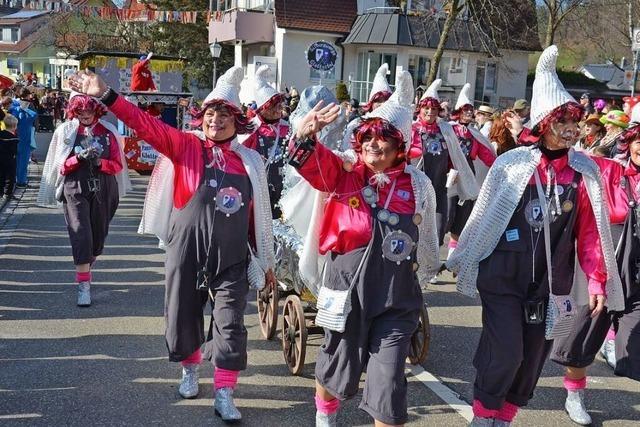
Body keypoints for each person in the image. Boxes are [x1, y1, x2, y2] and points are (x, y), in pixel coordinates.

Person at [69, 66, 275, 422]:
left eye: (224, 115)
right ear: (202, 118)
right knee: (182, 314)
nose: (216, 120)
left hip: (232, 257)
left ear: (237, 122)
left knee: (230, 324)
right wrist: (107, 95)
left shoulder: (251, 161)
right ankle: (190, 370)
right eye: (211, 113)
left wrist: (266, 260)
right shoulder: (185, 145)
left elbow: (259, 216)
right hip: (186, 248)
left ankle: (224, 392)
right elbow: (144, 124)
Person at [447, 45, 624, 427]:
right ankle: (483, 415)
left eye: (574, 121)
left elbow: (591, 234)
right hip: (503, 276)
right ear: (543, 123)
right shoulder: (513, 164)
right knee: (506, 350)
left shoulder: (583, 173)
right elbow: (485, 215)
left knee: (532, 357)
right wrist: (465, 253)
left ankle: (505, 417)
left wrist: (596, 278)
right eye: (562, 121)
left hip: (549, 283)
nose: (570, 129)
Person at [286, 70, 440, 427]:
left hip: (396, 298)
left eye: (383, 139)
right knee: (337, 364)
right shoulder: (345, 171)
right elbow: (308, 163)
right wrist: (304, 136)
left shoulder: (419, 185)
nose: (373, 144)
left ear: (400, 145)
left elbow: (428, 238)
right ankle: (325, 418)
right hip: (345, 291)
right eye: (367, 136)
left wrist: (427, 275)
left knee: (388, 387)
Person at [37, 93, 131, 306]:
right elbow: (59, 166)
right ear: (73, 111)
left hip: (104, 188)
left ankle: (88, 264)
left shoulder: (109, 132)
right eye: (80, 111)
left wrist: (100, 163)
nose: (85, 115)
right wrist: (77, 158)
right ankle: (83, 285)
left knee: (97, 238)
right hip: (75, 187)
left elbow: (118, 165)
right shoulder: (65, 131)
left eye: (89, 110)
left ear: (96, 110)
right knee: (81, 234)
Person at [410, 78, 479, 249]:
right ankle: (413, 266)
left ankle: (430, 264)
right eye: (427, 108)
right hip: (415, 188)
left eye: (434, 109)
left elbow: (454, 156)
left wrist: (453, 171)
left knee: (439, 227)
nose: (430, 112)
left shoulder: (445, 130)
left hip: (439, 187)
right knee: (414, 228)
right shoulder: (411, 130)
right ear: (420, 109)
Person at [446, 83, 496, 259]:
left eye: (470, 110)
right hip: (449, 174)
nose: (468, 113)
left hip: (468, 175)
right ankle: (432, 258)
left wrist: (499, 167)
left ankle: (452, 257)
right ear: (459, 111)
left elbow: (486, 155)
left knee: (462, 217)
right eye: (465, 109)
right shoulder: (447, 129)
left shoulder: (474, 133)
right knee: (446, 214)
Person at [242, 65, 290, 218]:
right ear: (261, 108)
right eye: (272, 107)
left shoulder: (287, 127)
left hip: (282, 186)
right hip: (257, 187)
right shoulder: (251, 128)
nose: (277, 110)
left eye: (279, 105)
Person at [340, 63, 392, 151]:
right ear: (371, 103)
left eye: (385, 101)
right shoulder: (357, 124)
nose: (382, 104)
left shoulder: (394, 125)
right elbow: (347, 149)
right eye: (378, 101)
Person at [9, 91, 37, 187]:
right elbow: (34, 115)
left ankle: (16, 180)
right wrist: (25, 109)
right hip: (24, 140)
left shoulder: (14, 109)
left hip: (16, 139)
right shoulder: (26, 113)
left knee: (16, 161)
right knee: (23, 162)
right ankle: (21, 181)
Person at [0, 114, 19, 201]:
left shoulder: (1, 134)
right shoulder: (13, 138)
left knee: (1, 175)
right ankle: (7, 193)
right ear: (14, 126)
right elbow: (14, 151)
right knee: (10, 177)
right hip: (9, 160)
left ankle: (0, 192)